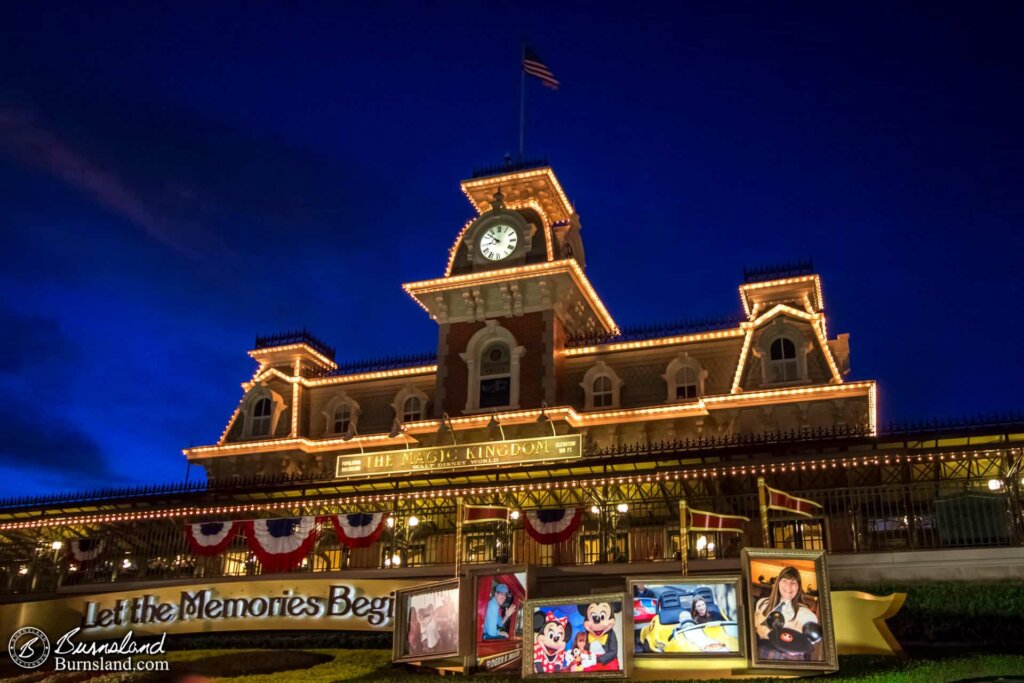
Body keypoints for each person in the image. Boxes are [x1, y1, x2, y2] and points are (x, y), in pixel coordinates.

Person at [753, 566, 820, 660]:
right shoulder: (762, 603)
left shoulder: (807, 615)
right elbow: (755, 629)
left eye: (793, 582)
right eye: (785, 580)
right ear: (778, 583)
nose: (788, 586)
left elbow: (806, 643)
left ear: (799, 587)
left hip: (789, 659)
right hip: (761, 652)